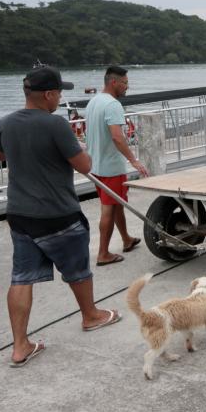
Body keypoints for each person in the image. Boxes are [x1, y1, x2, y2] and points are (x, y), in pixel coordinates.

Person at [0, 67, 122, 367]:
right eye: (59, 93)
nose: (60, 98)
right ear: (49, 94)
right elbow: (85, 165)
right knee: (77, 269)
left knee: (21, 277)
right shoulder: (55, 125)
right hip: (57, 213)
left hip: (19, 214)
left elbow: (0, 156)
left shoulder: (8, 122)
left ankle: (20, 345)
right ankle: (91, 316)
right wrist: (76, 147)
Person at [85, 66, 148, 265]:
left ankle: (126, 239)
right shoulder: (113, 105)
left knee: (117, 204)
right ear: (114, 82)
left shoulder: (93, 101)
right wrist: (134, 160)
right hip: (111, 167)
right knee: (108, 210)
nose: (127, 87)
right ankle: (103, 253)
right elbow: (117, 137)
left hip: (95, 165)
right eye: (125, 83)